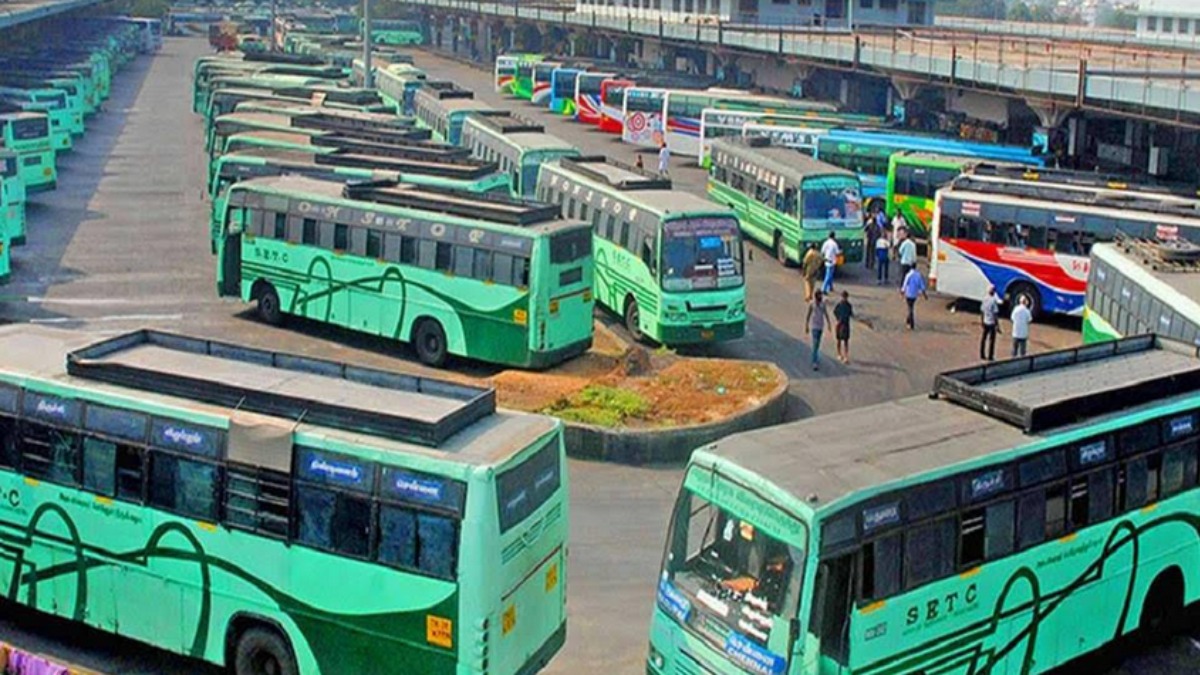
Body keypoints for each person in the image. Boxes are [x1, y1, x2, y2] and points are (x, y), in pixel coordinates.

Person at [805, 291, 830, 371]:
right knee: (815, 344)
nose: (821, 297)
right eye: (819, 295)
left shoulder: (823, 304)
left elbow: (826, 314)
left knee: (818, 343)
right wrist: (806, 325)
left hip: (821, 326)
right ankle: (814, 362)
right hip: (814, 326)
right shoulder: (812, 304)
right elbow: (808, 314)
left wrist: (829, 324)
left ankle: (815, 356)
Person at [900, 266, 928, 330]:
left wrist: (902, 291)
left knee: (910, 308)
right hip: (914, 294)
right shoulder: (918, 275)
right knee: (911, 307)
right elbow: (922, 286)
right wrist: (925, 295)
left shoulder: (908, 275)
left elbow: (905, 284)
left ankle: (910, 322)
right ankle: (909, 321)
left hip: (908, 293)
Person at [979, 286, 1002, 361]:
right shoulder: (993, 301)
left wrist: (982, 321)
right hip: (992, 323)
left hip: (985, 321)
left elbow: (982, 311)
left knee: (983, 339)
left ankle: (982, 354)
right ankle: (990, 356)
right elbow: (995, 314)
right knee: (992, 340)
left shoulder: (985, 299)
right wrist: (997, 325)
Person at [834, 290, 853, 364]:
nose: (844, 298)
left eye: (845, 297)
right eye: (843, 297)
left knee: (846, 341)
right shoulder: (839, 305)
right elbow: (835, 312)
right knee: (838, 340)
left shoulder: (849, 305)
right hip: (839, 324)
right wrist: (838, 319)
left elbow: (850, 313)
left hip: (846, 324)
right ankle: (839, 354)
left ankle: (846, 356)